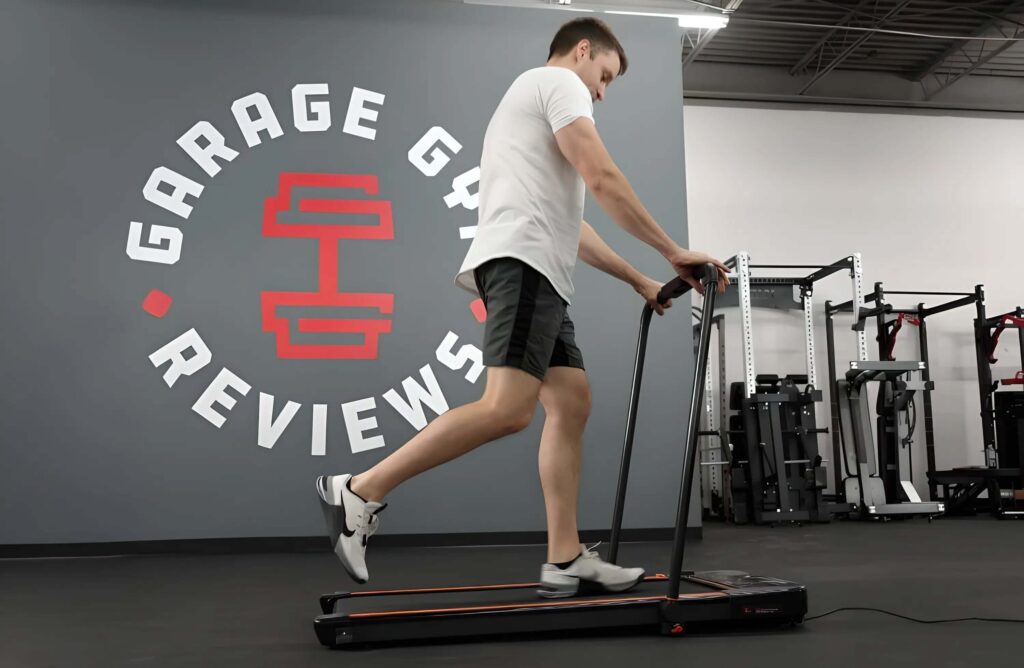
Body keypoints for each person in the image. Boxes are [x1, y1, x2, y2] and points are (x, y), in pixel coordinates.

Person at [316, 17, 729, 598]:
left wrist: (641, 279)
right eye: (604, 75)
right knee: (508, 410)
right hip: (523, 266)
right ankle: (358, 491)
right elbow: (604, 177)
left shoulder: (531, 110)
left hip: (540, 273)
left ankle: (564, 558)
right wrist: (673, 250)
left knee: (571, 402)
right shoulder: (557, 85)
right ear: (583, 52)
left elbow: (574, 225)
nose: (602, 92)